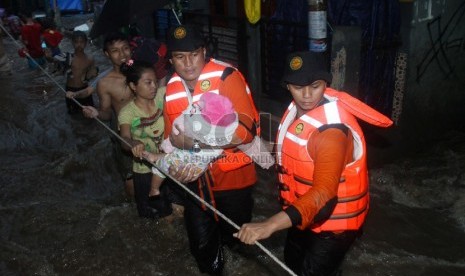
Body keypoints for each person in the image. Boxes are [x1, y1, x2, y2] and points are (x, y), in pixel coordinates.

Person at [234, 51, 393, 275]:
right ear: (287, 86)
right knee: (291, 262)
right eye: (298, 87)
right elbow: (288, 153)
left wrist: (268, 225)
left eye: (315, 86)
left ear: (326, 84)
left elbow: (324, 192)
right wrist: (241, 145)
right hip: (304, 213)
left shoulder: (332, 133)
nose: (307, 95)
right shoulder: (297, 114)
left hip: (334, 226)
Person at [163, 24, 261, 274]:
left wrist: (196, 142)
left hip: (233, 179)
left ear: (204, 52)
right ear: (171, 59)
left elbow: (245, 132)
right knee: (201, 247)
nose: (187, 63)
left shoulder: (228, 78)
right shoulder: (171, 88)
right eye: (179, 57)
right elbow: (169, 138)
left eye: (193, 54)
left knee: (237, 239)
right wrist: (175, 171)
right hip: (195, 184)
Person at [144, 92, 273, 198]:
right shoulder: (224, 128)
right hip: (198, 163)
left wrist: (177, 145)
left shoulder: (194, 118)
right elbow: (250, 144)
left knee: (165, 165)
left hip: (195, 164)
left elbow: (248, 141)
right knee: (170, 160)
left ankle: (154, 185)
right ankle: (157, 168)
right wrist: (267, 159)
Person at [118, 59, 172, 219]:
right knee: (158, 217)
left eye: (155, 82)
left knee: (177, 209)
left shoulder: (162, 95)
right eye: (148, 83)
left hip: (169, 163)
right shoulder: (127, 113)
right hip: (145, 171)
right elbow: (124, 138)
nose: (154, 87)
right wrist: (133, 144)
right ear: (133, 86)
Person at [64, 30, 97, 114]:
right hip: (70, 90)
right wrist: (48, 57)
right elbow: (54, 62)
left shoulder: (90, 59)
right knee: (73, 113)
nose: (79, 45)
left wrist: (94, 73)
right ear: (72, 43)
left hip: (85, 89)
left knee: (90, 112)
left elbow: (92, 75)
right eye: (76, 42)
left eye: (82, 42)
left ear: (86, 43)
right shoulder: (68, 57)